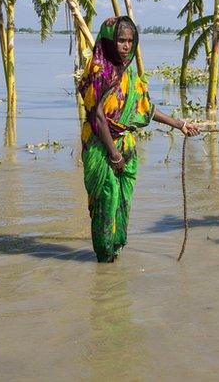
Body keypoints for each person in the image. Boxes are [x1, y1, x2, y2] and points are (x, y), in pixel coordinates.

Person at [78, 16, 199, 262]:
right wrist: (113, 154)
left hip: (126, 145)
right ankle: (103, 260)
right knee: (106, 198)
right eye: (121, 40)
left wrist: (180, 124)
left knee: (123, 201)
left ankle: (114, 257)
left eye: (130, 41)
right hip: (102, 146)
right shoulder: (100, 71)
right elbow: (98, 116)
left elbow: (144, 109)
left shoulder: (129, 73)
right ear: (109, 41)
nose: (126, 46)